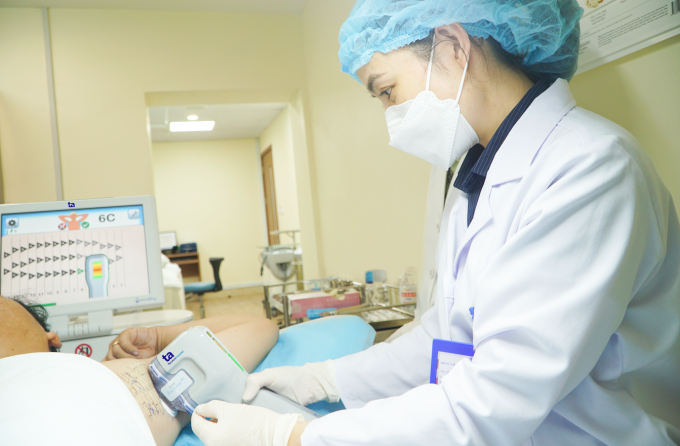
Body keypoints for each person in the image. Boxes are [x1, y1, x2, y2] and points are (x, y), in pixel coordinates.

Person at [188, 1, 680, 446]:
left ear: (452, 46)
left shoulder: (591, 169)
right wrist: (323, 379)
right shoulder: (476, 173)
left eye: (386, 90)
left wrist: (290, 436)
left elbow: (494, 398)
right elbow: (446, 338)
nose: (391, 118)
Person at [0, 296, 279, 446]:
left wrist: (160, 336)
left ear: (51, 340)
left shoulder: (111, 376)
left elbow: (259, 329)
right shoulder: (108, 378)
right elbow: (257, 327)